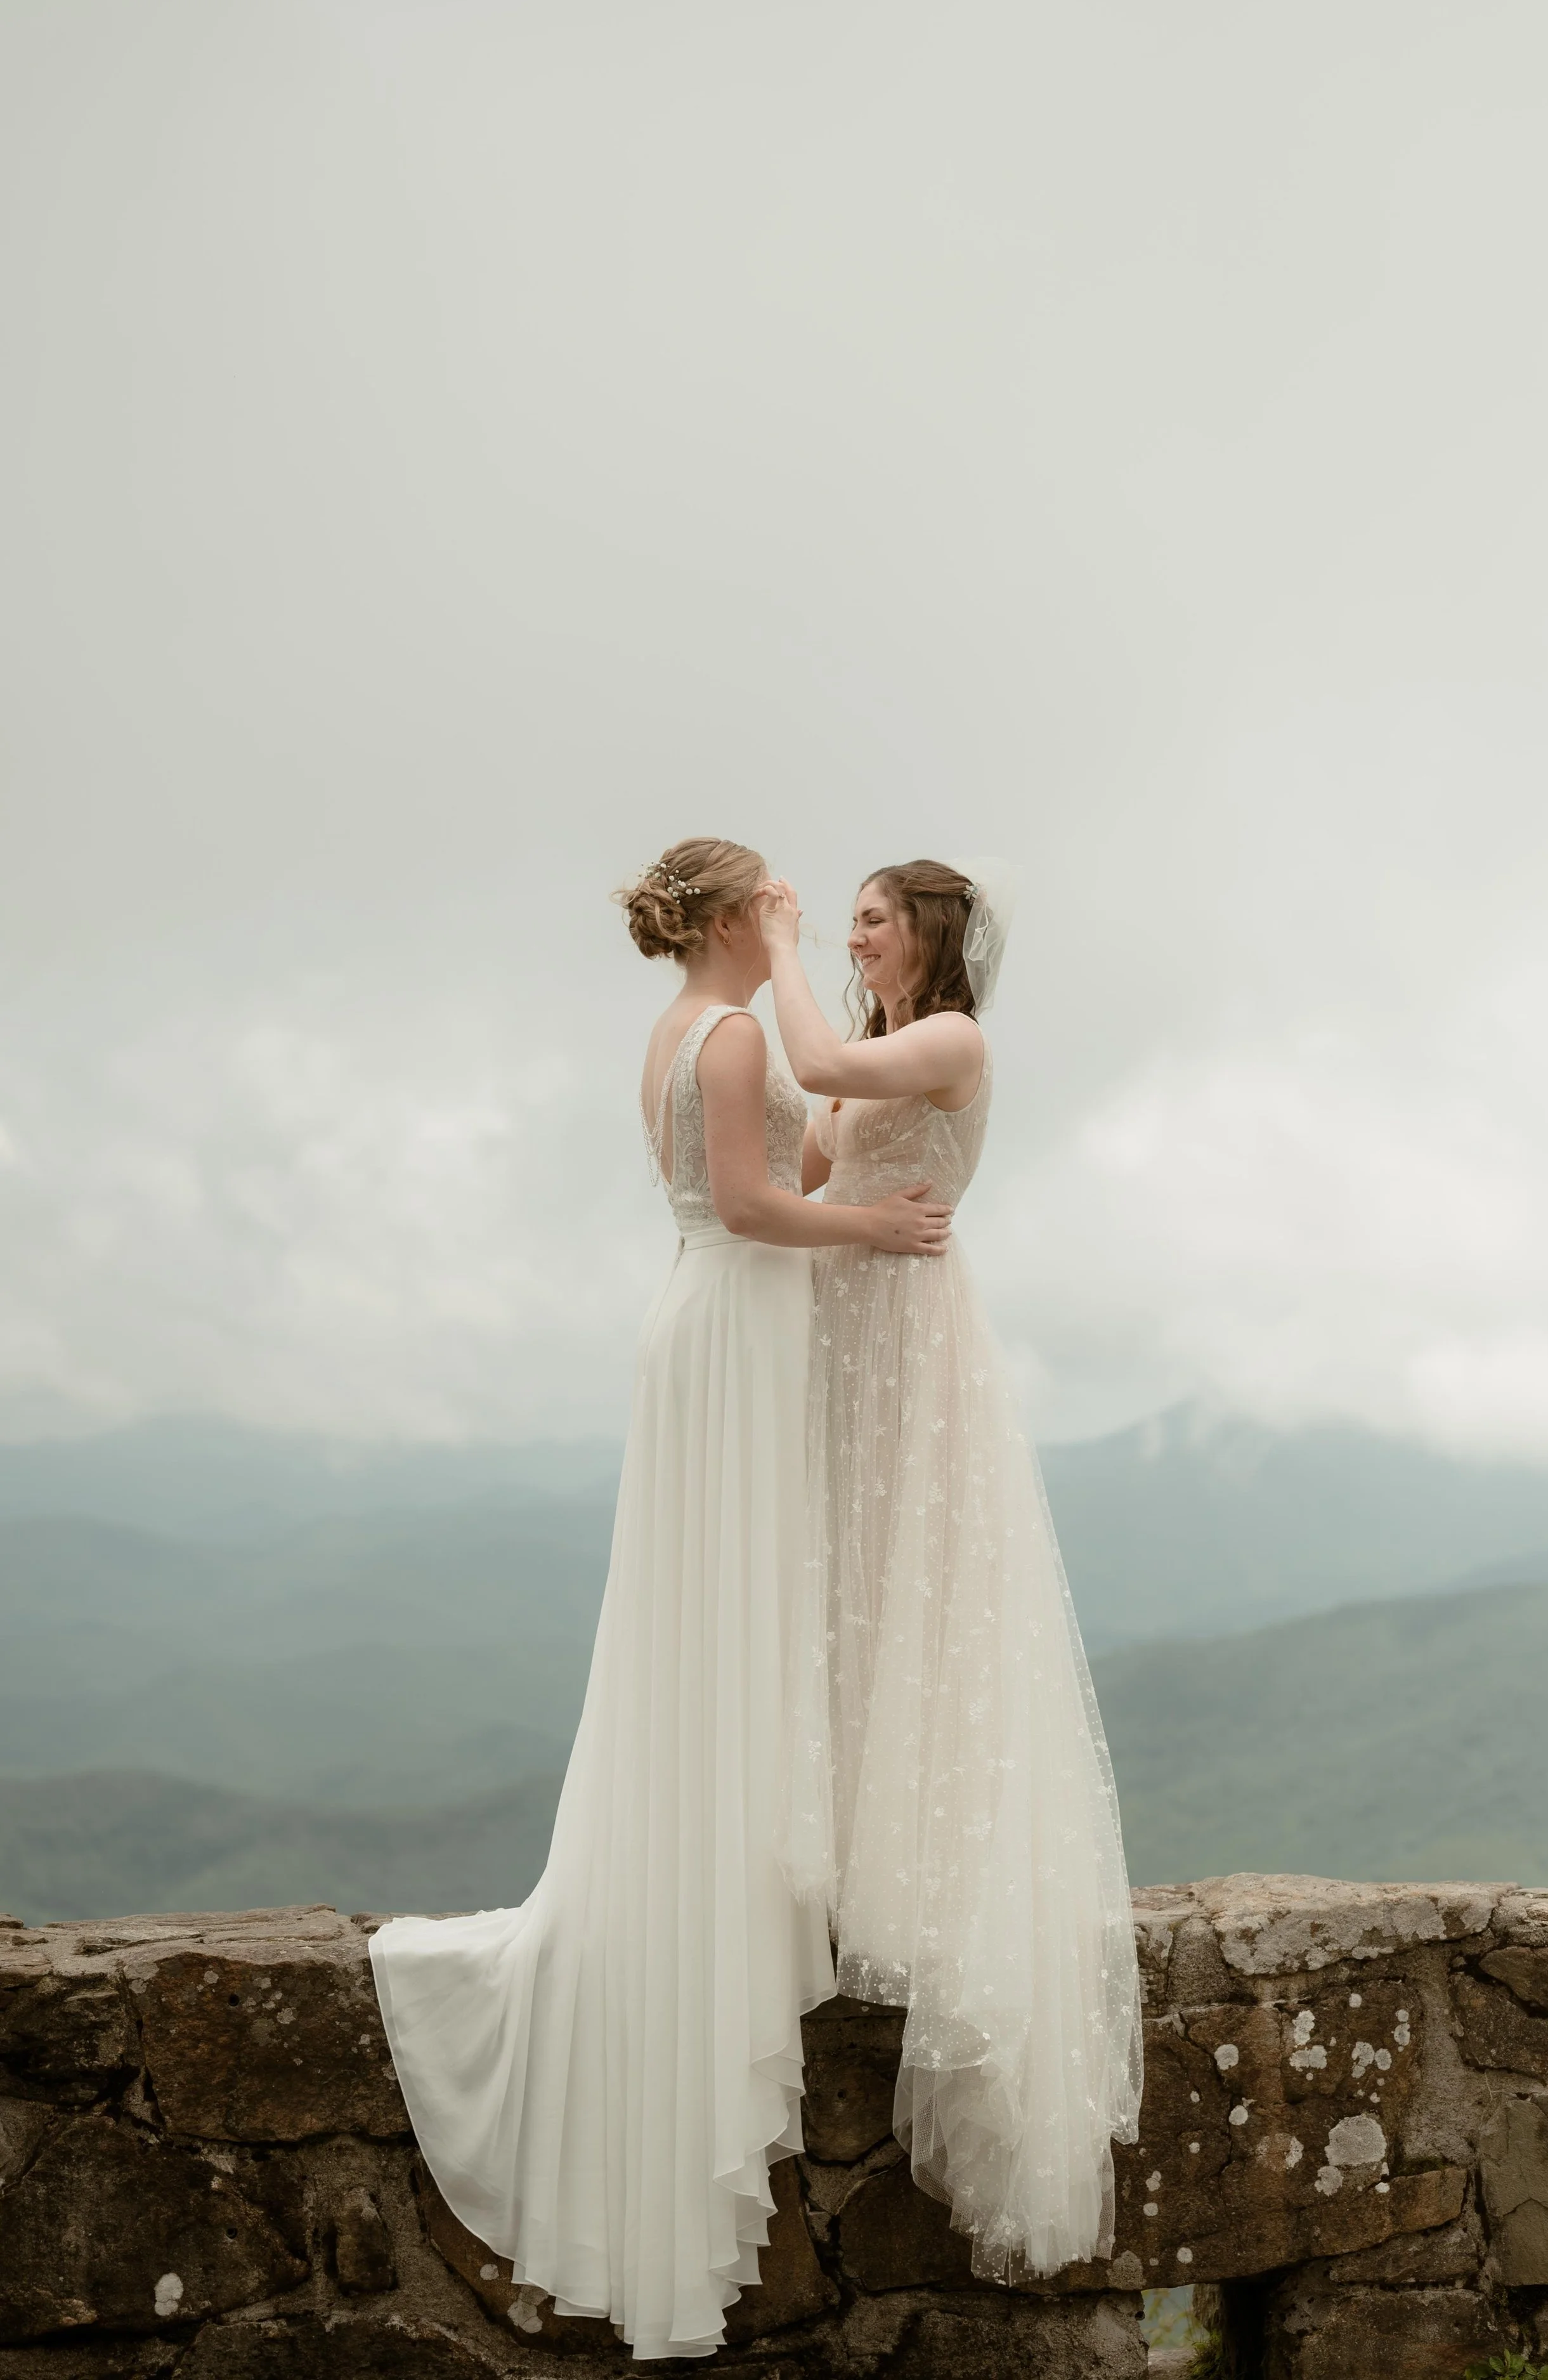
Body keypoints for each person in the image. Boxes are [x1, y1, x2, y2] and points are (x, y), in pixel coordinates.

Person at [368, 838, 952, 2360]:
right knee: (730, 1619)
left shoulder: (676, 1032)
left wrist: (850, 1137)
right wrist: (882, 1230)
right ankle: (710, 1903)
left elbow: (756, 1179)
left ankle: (719, 1874)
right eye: (772, 896)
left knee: (710, 1625)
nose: (799, 909)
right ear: (721, 916)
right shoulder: (742, 1026)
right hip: (740, 1315)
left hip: (700, 1323)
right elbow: (759, 1206)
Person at [762, 858, 1143, 2281]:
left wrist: (777, 946)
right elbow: (800, 1161)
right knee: (833, 1598)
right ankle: (831, 1875)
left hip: (910, 1346)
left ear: (929, 935)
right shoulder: (868, 1060)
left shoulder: (950, 1041)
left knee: (910, 1599)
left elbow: (810, 1056)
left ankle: (917, 1892)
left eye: (872, 913)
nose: (853, 929)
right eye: (842, 912)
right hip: (834, 1330)